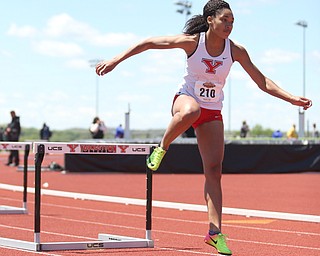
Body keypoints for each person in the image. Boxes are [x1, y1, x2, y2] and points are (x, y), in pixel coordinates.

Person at [95, 1, 312, 254]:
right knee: (191, 110)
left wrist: (291, 98)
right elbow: (150, 42)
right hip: (185, 102)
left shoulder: (235, 50)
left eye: (232, 22)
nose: (229, 26)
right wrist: (115, 60)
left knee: (214, 171)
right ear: (210, 19)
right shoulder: (192, 43)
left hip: (213, 113)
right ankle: (162, 147)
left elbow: (262, 81)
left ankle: (215, 233)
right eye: (224, 20)